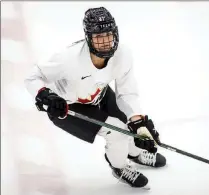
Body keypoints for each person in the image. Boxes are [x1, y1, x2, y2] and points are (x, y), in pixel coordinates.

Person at [24, 7, 166, 188]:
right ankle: (119, 167)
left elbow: (127, 92)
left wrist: (138, 123)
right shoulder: (68, 58)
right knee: (117, 131)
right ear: (88, 38)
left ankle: (134, 152)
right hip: (66, 106)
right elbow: (32, 77)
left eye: (108, 34)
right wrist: (46, 95)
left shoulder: (123, 54)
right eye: (98, 37)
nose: (105, 42)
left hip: (98, 93)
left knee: (129, 124)